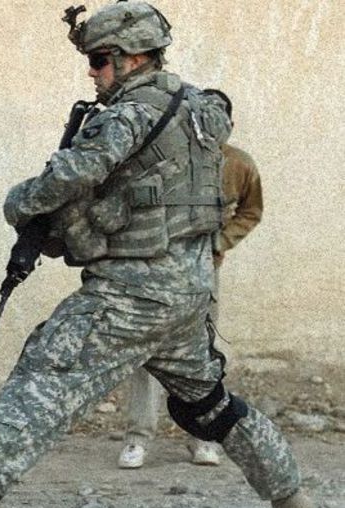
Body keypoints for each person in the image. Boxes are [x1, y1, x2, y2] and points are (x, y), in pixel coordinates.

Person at [0, 2, 316, 508]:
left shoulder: (130, 114)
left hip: (133, 292)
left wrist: (20, 202)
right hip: (190, 291)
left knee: (49, 365)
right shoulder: (200, 109)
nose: (92, 72)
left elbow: (75, 172)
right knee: (210, 404)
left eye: (100, 60)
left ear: (134, 57)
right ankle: (293, 501)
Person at [118, 89, 264, 469]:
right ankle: (137, 437)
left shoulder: (239, 165)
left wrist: (220, 241)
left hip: (204, 270)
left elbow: (250, 211)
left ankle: (202, 436)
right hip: (157, 267)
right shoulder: (166, 158)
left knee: (201, 352)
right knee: (146, 349)